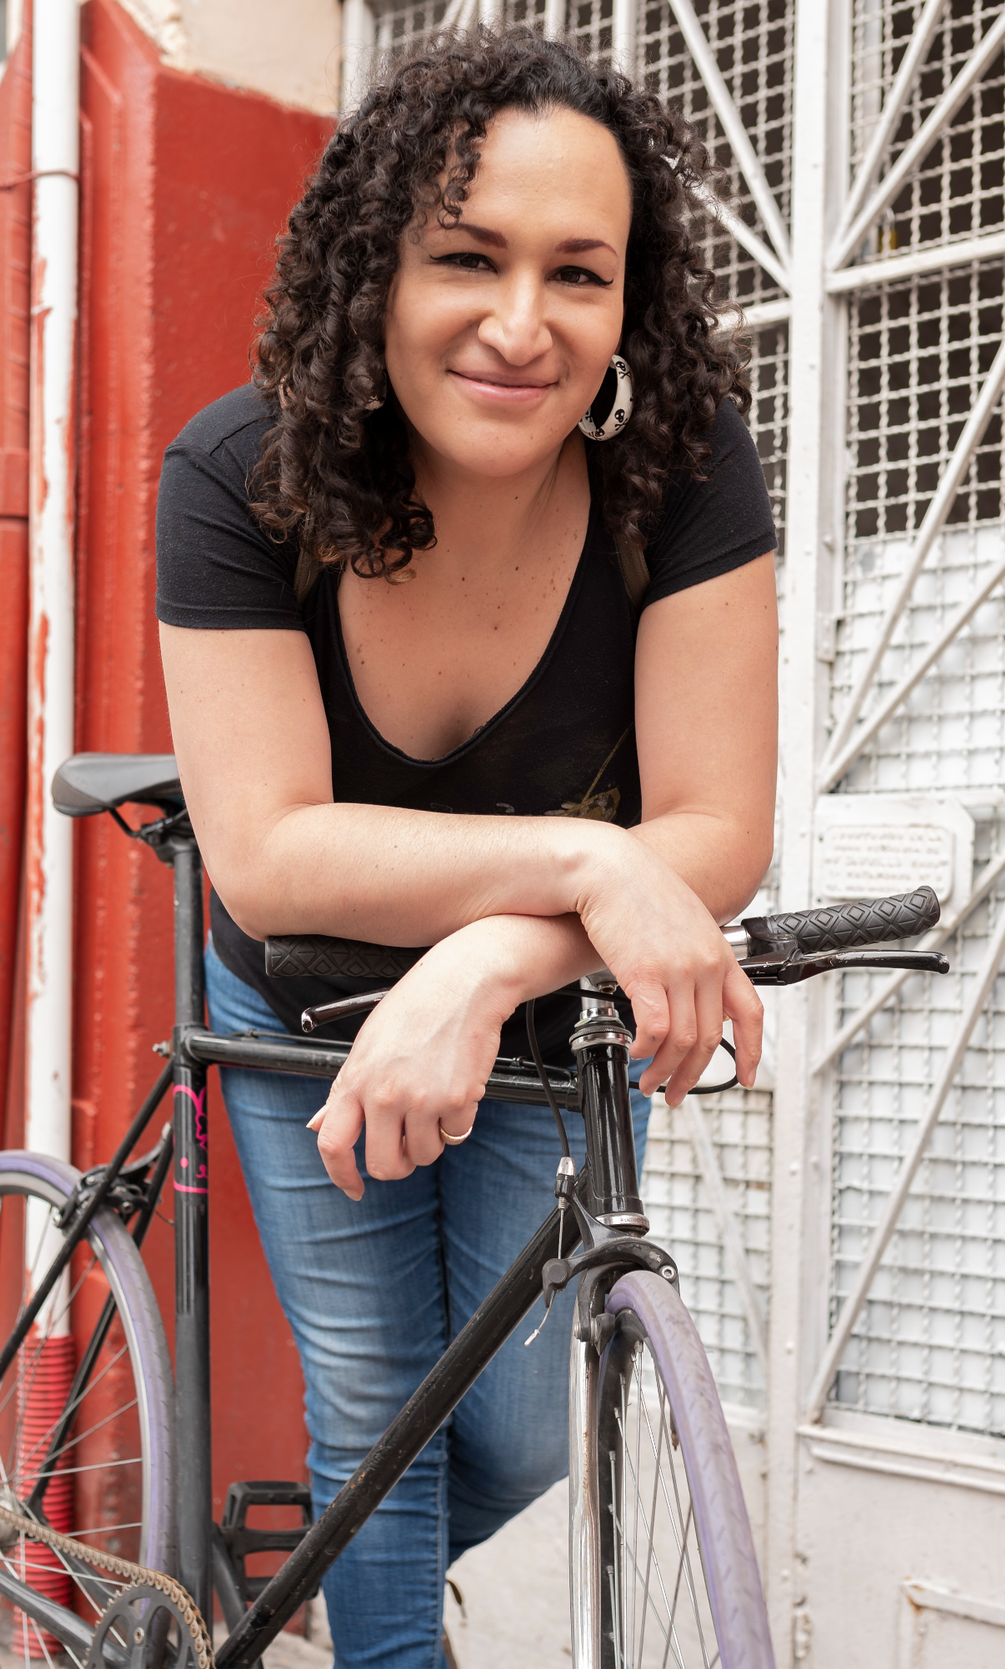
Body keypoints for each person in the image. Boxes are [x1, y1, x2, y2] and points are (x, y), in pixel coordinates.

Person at [154, 28, 778, 1669]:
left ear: (626, 303)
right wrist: (584, 867)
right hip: (301, 1011)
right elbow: (275, 855)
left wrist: (502, 950)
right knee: (377, 1410)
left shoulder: (683, 466)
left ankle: (354, 1573)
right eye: (466, 258)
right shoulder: (239, 474)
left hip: (527, 1013)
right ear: (377, 271)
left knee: (515, 1435)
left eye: (579, 272)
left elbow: (719, 826)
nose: (522, 323)